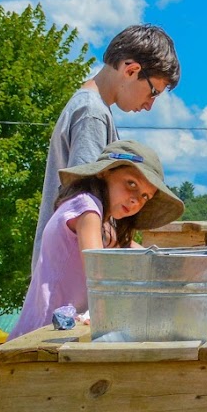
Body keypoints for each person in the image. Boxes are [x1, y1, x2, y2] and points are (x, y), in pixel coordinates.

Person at [8, 139, 186, 337]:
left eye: (145, 196)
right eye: (131, 184)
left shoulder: (102, 222)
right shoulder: (87, 208)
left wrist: (175, 270)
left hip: (58, 332)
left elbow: (139, 254)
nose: (136, 199)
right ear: (104, 172)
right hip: (42, 336)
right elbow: (99, 276)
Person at [33, 24, 180, 249]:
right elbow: (85, 207)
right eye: (153, 93)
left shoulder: (92, 108)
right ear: (131, 70)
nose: (150, 105)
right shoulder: (92, 113)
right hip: (69, 275)